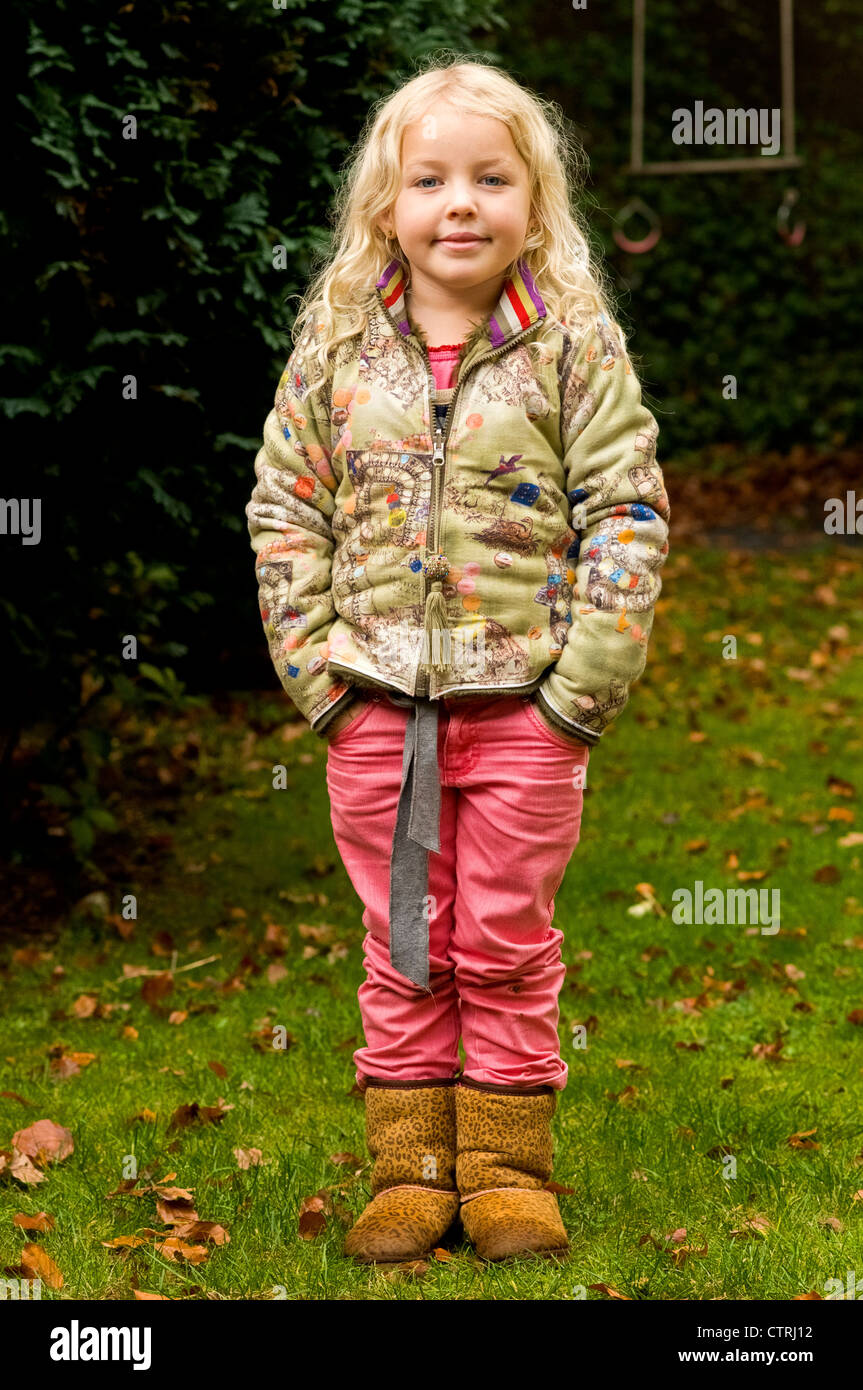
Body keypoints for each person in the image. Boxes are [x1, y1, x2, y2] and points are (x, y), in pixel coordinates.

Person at [246, 56, 670, 1265]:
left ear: (534, 203)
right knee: (401, 938)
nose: (459, 205)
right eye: (429, 180)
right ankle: (412, 1173)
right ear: (387, 205)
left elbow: (626, 512)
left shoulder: (570, 349)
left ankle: (503, 1171)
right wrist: (317, 677)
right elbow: (284, 506)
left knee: (498, 934)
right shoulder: (338, 350)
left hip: (525, 707)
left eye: (490, 179)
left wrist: (576, 694)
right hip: (373, 700)